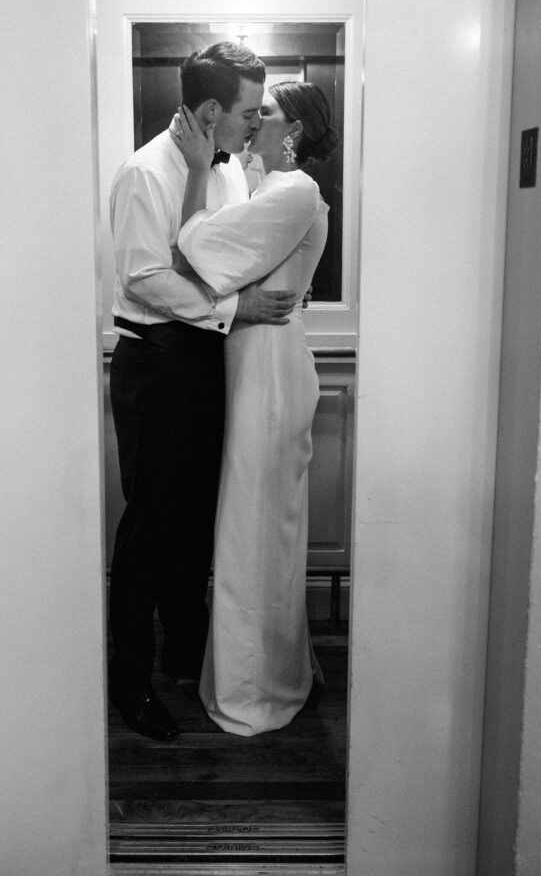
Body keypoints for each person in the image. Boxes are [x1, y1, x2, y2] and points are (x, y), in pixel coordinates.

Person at [108, 43, 298, 742]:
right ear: (213, 109)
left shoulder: (223, 172)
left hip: (205, 359)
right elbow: (143, 277)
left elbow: (220, 256)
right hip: (155, 363)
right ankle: (128, 684)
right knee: (149, 530)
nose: (254, 125)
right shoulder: (142, 171)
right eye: (249, 112)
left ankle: (185, 658)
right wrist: (234, 312)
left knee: (194, 521)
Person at [175, 81, 339, 735]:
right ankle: (275, 666)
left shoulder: (294, 192)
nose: (253, 121)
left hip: (269, 376)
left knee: (255, 535)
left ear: (293, 130)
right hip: (251, 367)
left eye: (264, 113)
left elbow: (190, 250)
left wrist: (192, 172)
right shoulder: (262, 187)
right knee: (253, 530)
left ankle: (260, 688)